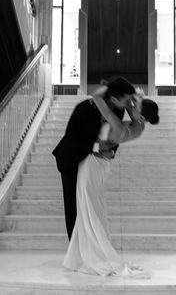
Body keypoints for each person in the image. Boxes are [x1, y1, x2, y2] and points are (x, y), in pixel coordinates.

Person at [62, 84, 159, 278]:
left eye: (135, 108)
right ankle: (84, 253)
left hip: (93, 164)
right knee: (90, 209)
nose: (131, 107)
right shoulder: (137, 125)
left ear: (141, 115)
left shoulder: (121, 124)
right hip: (98, 163)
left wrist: (106, 91)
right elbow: (129, 110)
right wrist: (133, 100)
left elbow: (101, 104)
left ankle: (94, 255)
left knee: (89, 209)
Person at [52, 77, 136, 240]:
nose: (128, 105)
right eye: (126, 101)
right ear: (113, 98)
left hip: (93, 161)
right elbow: (72, 140)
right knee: (73, 207)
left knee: (91, 204)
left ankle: (92, 244)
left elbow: (114, 134)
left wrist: (112, 150)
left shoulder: (118, 110)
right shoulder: (84, 109)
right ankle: (76, 249)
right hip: (72, 158)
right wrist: (97, 147)